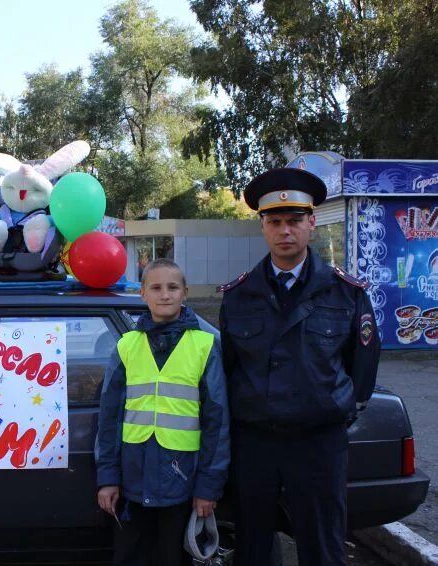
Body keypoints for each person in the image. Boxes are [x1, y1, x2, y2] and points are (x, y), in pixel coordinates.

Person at [218, 168, 380, 565]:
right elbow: (229, 367)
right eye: (275, 222)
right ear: (263, 227)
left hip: (318, 443)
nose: (285, 230)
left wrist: (329, 413)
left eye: (294, 221)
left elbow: (362, 370)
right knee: (253, 545)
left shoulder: (346, 292)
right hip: (255, 443)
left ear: (311, 223)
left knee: (323, 545)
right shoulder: (239, 296)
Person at [96, 259, 230, 566]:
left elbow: (217, 423)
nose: (165, 295)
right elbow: (109, 418)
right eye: (156, 287)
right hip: (133, 480)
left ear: (186, 292)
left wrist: (208, 487)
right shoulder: (127, 346)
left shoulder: (204, 346)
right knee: (131, 557)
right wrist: (108, 477)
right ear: (143, 293)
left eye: (172, 287)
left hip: (181, 481)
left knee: (172, 558)